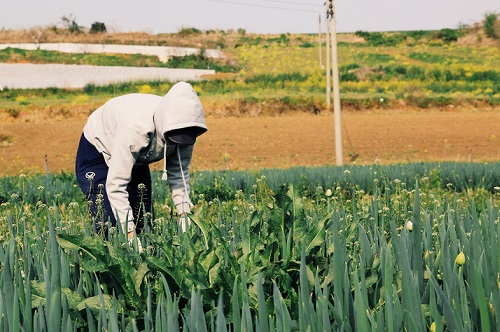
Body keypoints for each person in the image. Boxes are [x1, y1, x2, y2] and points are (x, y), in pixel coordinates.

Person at [75, 81, 207, 249]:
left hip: (137, 156)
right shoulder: (134, 130)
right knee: (109, 224)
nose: (179, 141)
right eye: (173, 137)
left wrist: (185, 215)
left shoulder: (186, 128)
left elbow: (178, 174)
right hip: (98, 151)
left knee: (141, 219)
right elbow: (116, 185)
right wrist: (129, 235)